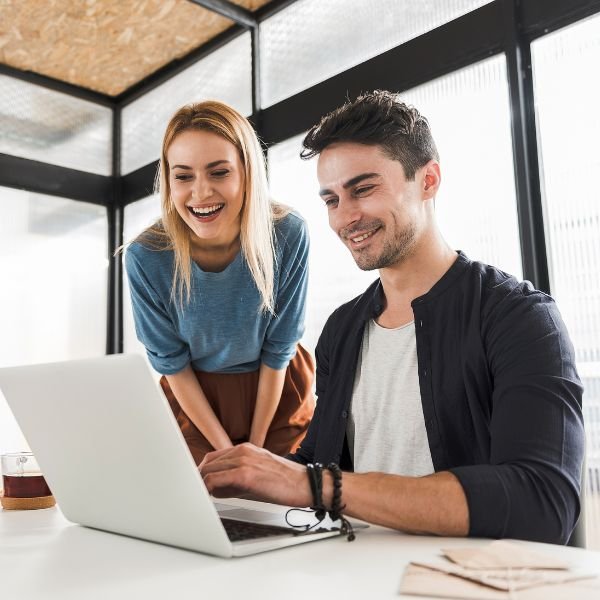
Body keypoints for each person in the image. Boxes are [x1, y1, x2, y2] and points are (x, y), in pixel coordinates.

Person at [199, 91, 585, 544]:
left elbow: (541, 502)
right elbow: (320, 466)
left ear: (429, 180)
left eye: (363, 189)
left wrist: (312, 484)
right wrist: (243, 481)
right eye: (331, 200)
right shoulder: (343, 328)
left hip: (462, 581)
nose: (346, 217)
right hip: (354, 573)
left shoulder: (518, 317)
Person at [125, 100, 314, 465]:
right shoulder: (145, 257)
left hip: (275, 388)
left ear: (247, 172)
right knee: (205, 504)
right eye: (183, 176)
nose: (200, 193)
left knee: (280, 500)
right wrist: (228, 451)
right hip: (195, 399)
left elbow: (280, 349)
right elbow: (172, 363)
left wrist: (255, 451)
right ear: (168, 181)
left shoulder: (289, 234)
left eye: (219, 172)